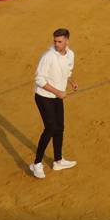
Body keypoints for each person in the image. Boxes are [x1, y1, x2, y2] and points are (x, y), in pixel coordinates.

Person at [30, 29, 77, 179]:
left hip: (57, 96)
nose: (57, 44)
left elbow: (67, 71)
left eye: (60, 42)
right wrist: (58, 92)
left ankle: (58, 160)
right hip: (44, 97)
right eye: (55, 41)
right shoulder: (48, 57)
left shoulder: (70, 54)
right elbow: (39, 80)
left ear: (67, 41)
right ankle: (36, 163)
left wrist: (71, 82)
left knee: (60, 127)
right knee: (50, 127)